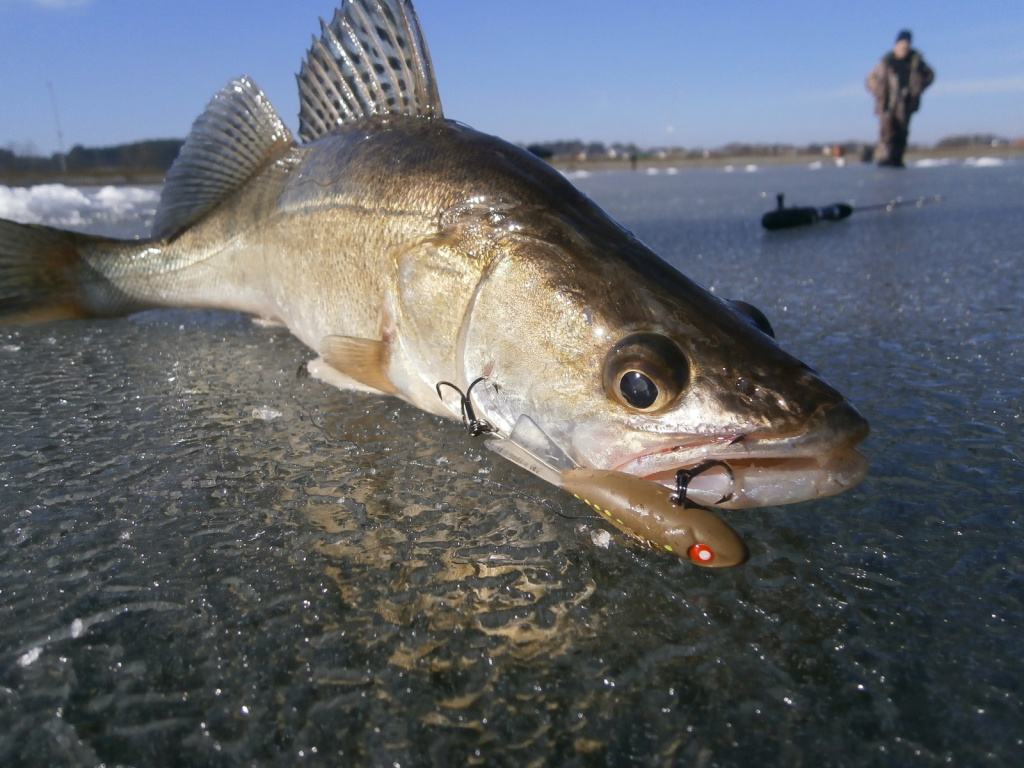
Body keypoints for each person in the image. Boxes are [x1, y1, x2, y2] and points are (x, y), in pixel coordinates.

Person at [866, 30, 934, 167]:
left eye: (907, 44)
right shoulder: (886, 62)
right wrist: (878, 91)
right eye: (902, 44)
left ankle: (897, 158)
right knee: (886, 130)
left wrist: (918, 87)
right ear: (896, 45)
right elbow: (870, 79)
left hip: (906, 102)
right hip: (887, 102)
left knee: (902, 131)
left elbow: (930, 75)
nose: (904, 47)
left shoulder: (915, 61)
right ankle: (884, 158)